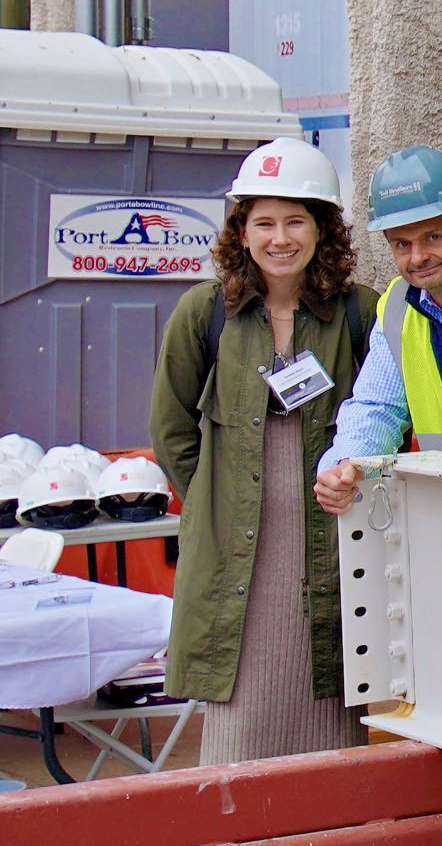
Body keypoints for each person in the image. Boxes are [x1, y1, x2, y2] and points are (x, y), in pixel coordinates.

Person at [150, 137, 376, 764]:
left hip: (331, 542)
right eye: (264, 222)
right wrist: (213, 503)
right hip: (232, 550)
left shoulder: (358, 311)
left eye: (296, 221)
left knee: (330, 699)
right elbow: (171, 428)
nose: (281, 238)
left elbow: (386, 413)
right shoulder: (205, 312)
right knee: (240, 716)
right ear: (241, 230)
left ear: (322, 228)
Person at [314, 145, 442, 514]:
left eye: (433, 237)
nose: (417, 258)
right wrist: (344, 464)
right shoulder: (397, 306)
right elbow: (377, 406)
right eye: (402, 244)